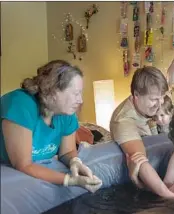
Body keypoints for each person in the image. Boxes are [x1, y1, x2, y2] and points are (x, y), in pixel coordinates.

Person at [0, 60, 102, 193]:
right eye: (76, 93)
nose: (80, 100)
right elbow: (23, 165)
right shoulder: (21, 105)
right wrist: (69, 180)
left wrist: (75, 162)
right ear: (53, 92)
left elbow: (66, 152)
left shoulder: (67, 113)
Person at [110, 66, 174, 199]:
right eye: (154, 99)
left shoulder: (155, 96)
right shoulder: (123, 120)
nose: (160, 104)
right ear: (136, 95)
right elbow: (139, 161)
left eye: (162, 97)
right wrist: (170, 196)